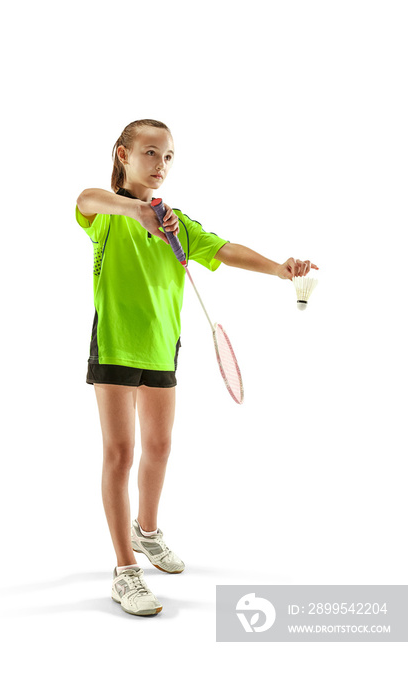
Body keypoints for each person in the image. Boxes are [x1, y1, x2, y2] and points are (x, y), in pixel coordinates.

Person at [75, 118, 318, 617]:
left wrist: (279, 268)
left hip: (162, 350)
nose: (160, 164)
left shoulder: (176, 224)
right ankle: (125, 570)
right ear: (123, 154)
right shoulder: (110, 212)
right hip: (117, 348)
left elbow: (224, 250)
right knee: (120, 454)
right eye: (149, 153)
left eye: (167, 157)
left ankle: (146, 532)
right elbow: (87, 198)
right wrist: (137, 209)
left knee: (159, 448)